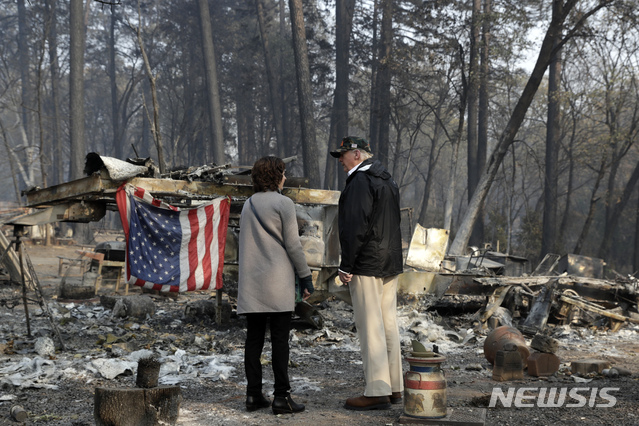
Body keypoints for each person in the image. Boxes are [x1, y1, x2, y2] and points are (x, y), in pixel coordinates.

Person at [330, 136, 404, 411]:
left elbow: (354, 227)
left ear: (357, 154)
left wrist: (346, 265)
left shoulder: (360, 182)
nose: (340, 160)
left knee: (370, 326)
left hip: (366, 262)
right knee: (387, 325)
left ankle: (376, 390)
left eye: (343, 155)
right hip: (389, 260)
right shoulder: (387, 179)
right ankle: (395, 387)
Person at [237, 156, 314, 414]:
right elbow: (293, 245)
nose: (285, 177)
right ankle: (281, 398)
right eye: (283, 173)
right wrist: (305, 276)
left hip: (252, 284)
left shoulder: (248, 204)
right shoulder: (284, 203)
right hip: (278, 282)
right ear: (276, 175)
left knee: (254, 341)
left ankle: (253, 395)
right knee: (280, 341)